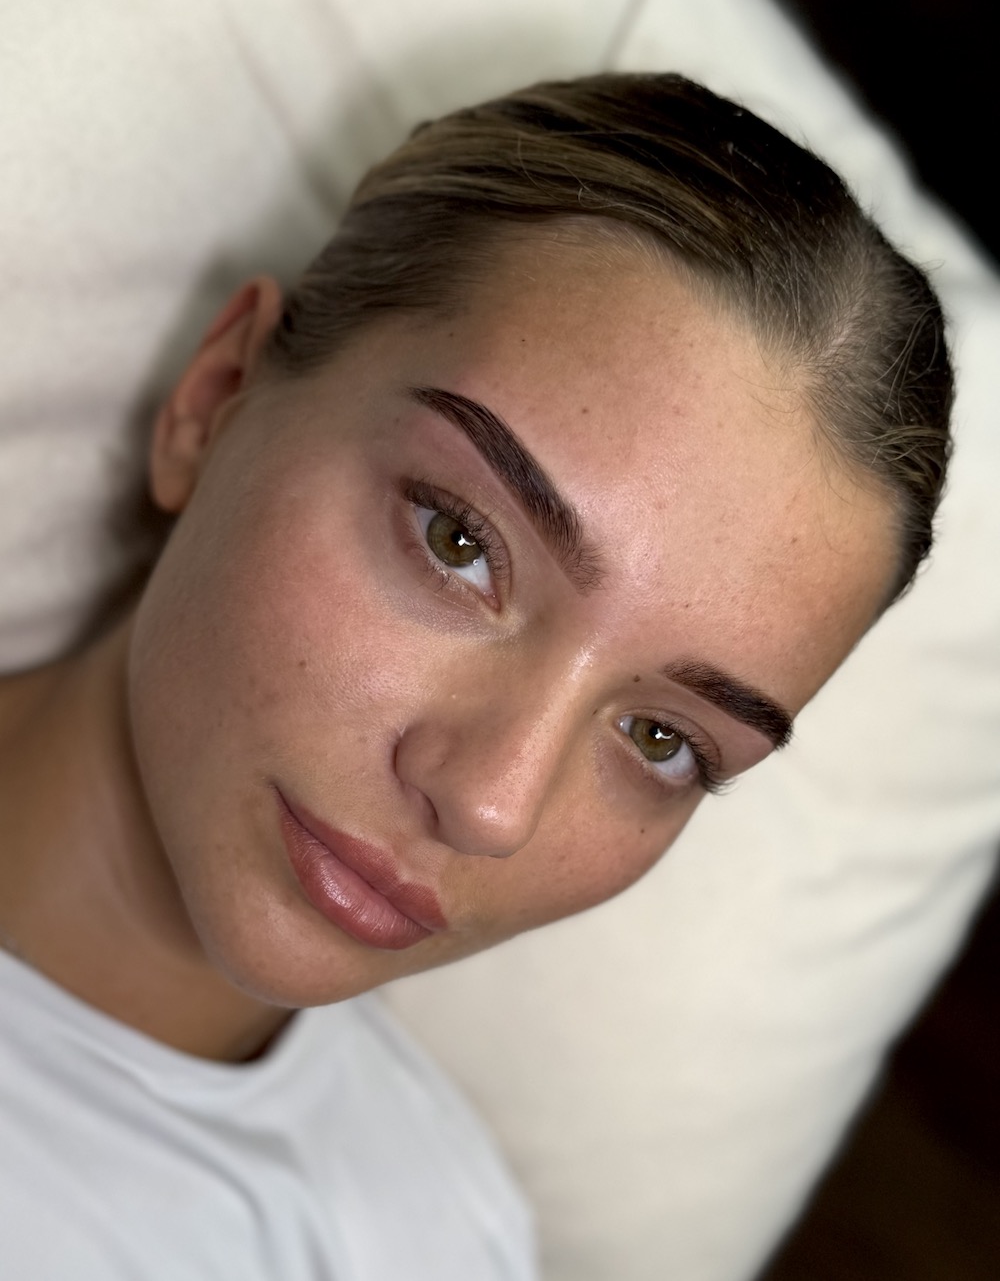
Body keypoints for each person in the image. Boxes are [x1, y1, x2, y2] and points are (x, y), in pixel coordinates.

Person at [0, 73, 952, 1278]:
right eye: (460, 542)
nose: (493, 801)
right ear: (216, 398)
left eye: (663, 740)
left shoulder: (444, 1236)